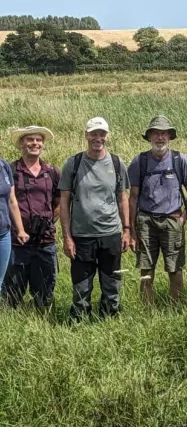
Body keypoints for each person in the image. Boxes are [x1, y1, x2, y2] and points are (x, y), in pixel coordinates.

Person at [59, 117, 130, 319]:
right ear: (86, 135)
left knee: (112, 281)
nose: (97, 138)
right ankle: (80, 319)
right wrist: (67, 237)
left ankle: (110, 317)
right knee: (81, 283)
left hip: (110, 234)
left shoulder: (116, 163)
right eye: (93, 133)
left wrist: (126, 230)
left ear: (107, 136)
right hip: (82, 235)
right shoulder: (73, 163)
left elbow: (122, 198)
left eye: (101, 134)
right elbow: (64, 201)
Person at [128, 116, 187, 305]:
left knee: (175, 269)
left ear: (169, 136)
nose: (160, 137)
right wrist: (132, 231)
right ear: (149, 137)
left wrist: (183, 217)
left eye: (164, 133)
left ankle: (176, 309)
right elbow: (132, 197)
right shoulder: (139, 161)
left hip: (172, 221)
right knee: (146, 270)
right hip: (146, 222)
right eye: (156, 133)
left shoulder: (179, 160)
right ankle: (147, 313)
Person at [3, 126, 60, 310]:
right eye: (30, 140)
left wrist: (49, 221)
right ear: (21, 144)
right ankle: (13, 324)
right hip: (17, 243)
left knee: (44, 291)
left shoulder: (52, 172)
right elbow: (8, 202)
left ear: (43, 144)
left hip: (45, 241)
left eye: (38, 140)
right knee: (12, 292)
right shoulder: (11, 170)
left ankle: (40, 321)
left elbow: (59, 202)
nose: (34, 143)